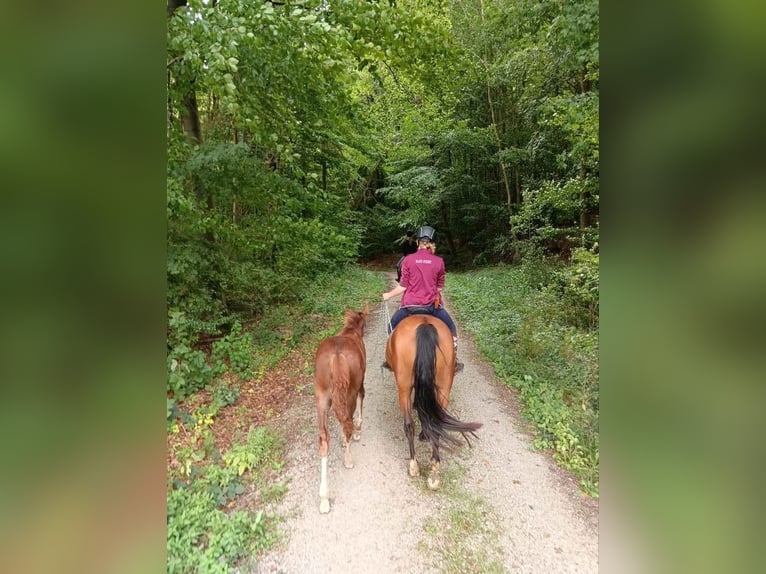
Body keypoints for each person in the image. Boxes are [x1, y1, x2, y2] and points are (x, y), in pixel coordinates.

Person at [382, 225, 463, 372]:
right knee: (452, 330)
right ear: (432, 243)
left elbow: (403, 287)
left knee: (391, 328)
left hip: (409, 307)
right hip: (432, 307)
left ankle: (390, 359)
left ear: (418, 242)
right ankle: (454, 360)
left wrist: (388, 295)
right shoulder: (439, 261)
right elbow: (439, 288)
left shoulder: (407, 260)